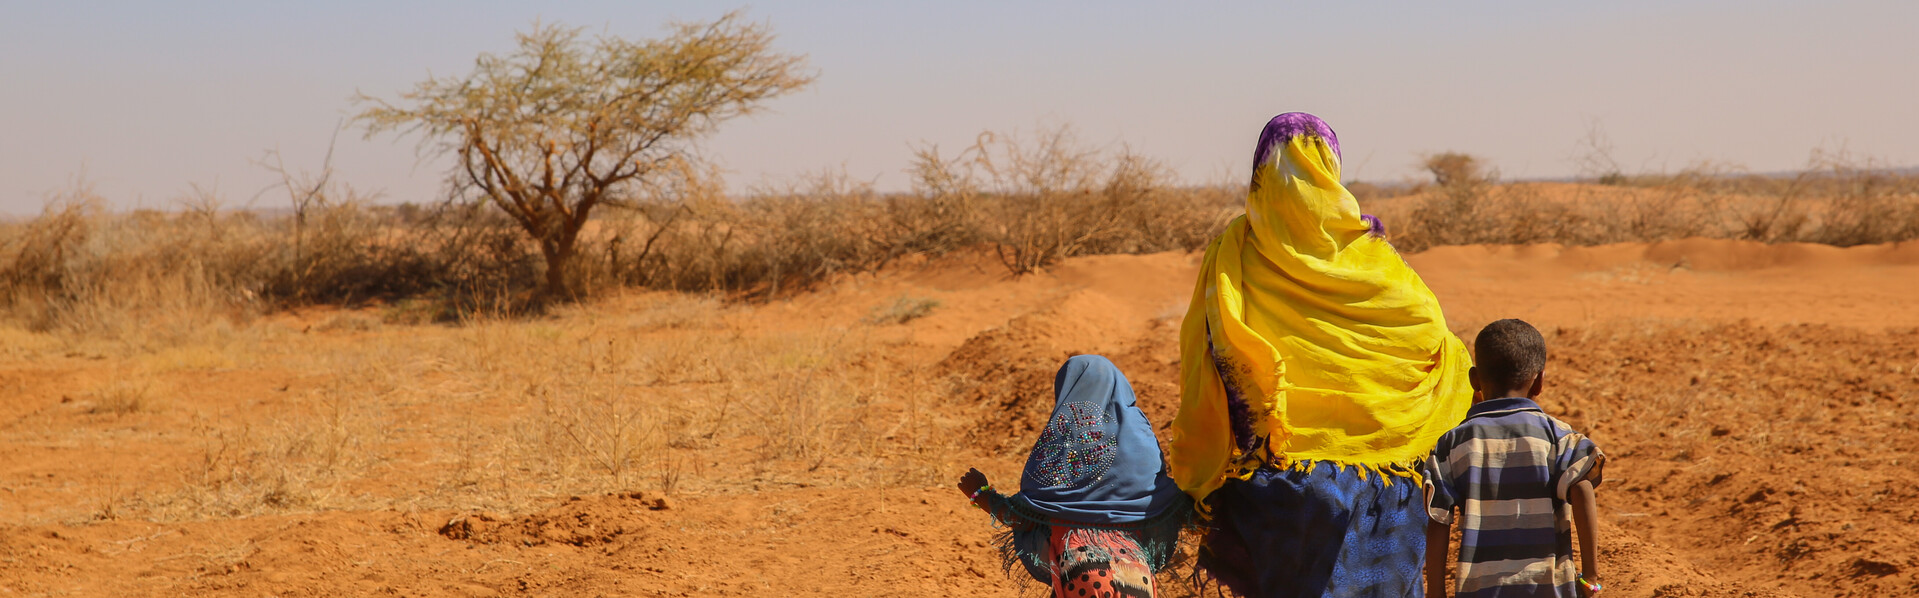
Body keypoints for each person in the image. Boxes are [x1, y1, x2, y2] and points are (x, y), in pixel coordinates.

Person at [1169, 112, 1475, 597]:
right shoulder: (1374, 257)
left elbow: (1209, 354)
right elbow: (1432, 337)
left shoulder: (1234, 251)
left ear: (1259, 173)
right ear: (1332, 169)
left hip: (1281, 480)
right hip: (1387, 484)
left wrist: (1197, 469)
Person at [958, 354, 1193, 598]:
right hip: (1135, 573)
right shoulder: (1142, 437)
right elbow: (1167, 506)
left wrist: (980, 494)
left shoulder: (1062, 441)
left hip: (1080, 571)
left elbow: (1024, 516)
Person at [1422, 319, 1605, 598]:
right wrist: (1590, 578)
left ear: (1474, 380)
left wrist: (1436, 593)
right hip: (1548, 589)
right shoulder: (1558, 437)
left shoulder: (1452, 444)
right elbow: (1581, 488)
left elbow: (1438, 519)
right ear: (1539, 381)